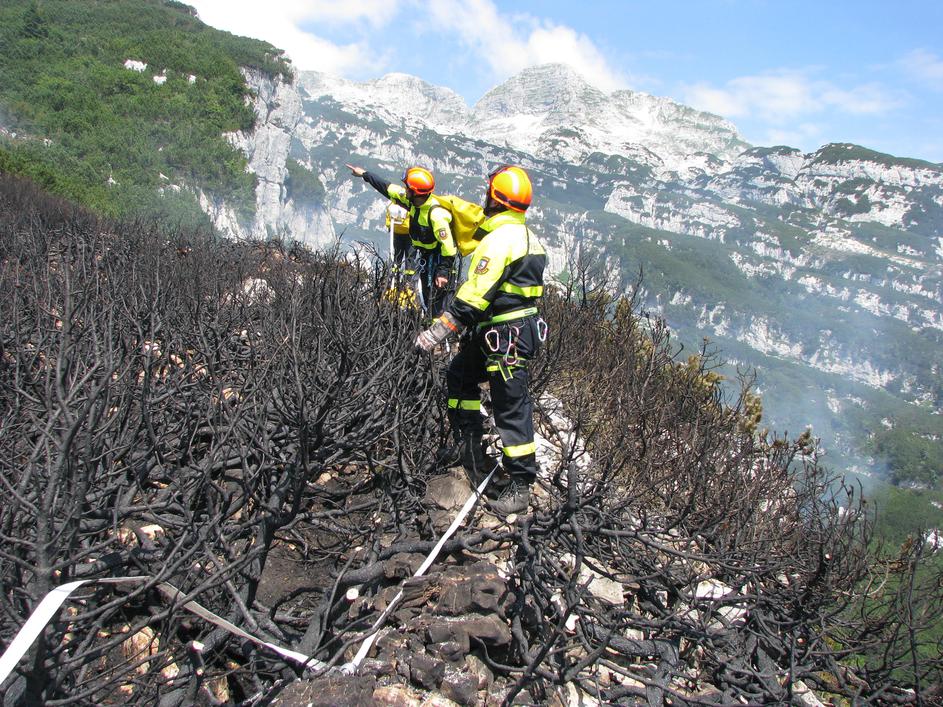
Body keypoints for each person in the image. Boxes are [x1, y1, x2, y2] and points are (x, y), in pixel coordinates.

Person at [416, 165, 546, 515]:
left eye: (488, 194)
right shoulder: (528, 237)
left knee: (511, 405)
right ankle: (468, 447)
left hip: (506, 337)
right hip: (505, 332)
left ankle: (520, 484)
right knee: (459, 374)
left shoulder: (500, 239)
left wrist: (438, 330)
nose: (484, 200)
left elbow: (476, 294)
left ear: (497, 199)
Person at [347, 163, 457, 318]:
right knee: (427, 301)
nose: (405, 191)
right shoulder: (413, 202)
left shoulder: (436, 215)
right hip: (427, 257)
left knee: (439, 307)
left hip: (439, 261)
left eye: (407, 188)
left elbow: (449, 248)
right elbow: (386, 187)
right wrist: (364, 173)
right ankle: (429, 331)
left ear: (415, 192)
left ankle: (445, 339)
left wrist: (443, 272)